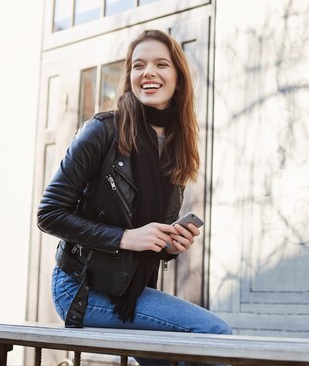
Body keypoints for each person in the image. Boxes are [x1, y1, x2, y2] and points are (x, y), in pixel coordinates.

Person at [37, 29, 232, 365]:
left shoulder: (174, 146)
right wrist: (125, 238)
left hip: (128, 290)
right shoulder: (102, 130)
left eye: (161, 64)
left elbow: (148, 233)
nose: (148, 72)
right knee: (213, 334)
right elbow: (49, 213)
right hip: (80, 288)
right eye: (138, 65)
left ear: (178, 78)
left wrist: (169, 244)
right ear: (129, 77)